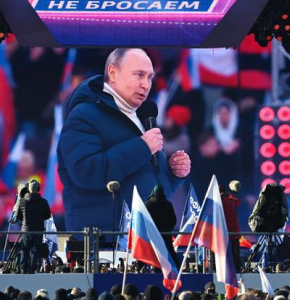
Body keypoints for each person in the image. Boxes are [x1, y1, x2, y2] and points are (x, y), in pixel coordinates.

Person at [57, 48, 191, 232]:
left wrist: (173, 174)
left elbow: (145, 183)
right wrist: (142, 147)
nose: (146, 84)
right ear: (113, 72)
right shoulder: (83, 116)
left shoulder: (141, 118)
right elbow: (86, 172)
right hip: (105, 243)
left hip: (149, 237)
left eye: (150, 77)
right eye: (139, 75)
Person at [15, 179, 52, 274]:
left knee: (25, 250)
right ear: (38, 189)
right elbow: (47, 215)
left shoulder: (22, 201)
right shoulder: (43, 202)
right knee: (35, 251)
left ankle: (23, 270)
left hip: (26, 230)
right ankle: (32, 270)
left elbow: (18, 216)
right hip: (38, 231)